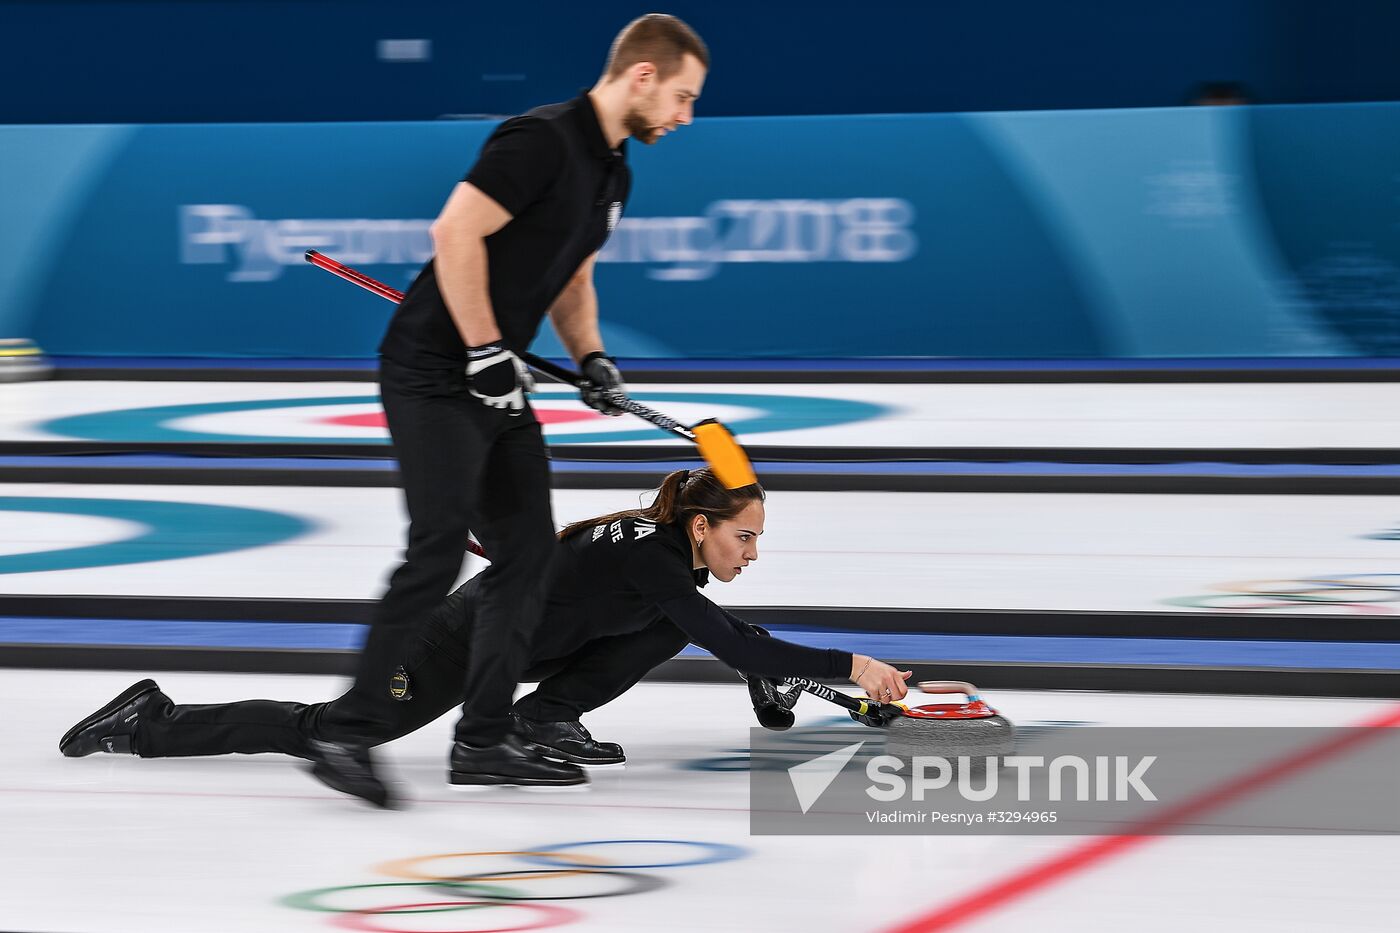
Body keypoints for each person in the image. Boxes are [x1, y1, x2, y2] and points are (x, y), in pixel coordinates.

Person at [59, 470, 913, 807]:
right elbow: (732, 641)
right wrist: (851, 664)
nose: (752, 552)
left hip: (524, 648)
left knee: (669, 623)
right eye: (745, 536)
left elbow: (724, 634)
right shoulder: (655, 558)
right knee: (334, 728)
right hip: (452, 643)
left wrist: (763, 665)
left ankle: (545, 715)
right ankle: (150, 721)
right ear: (699, 526)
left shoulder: (666, 559)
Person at [358, 14, 711, 787]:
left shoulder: (613, 173)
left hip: (491, 376)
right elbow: (455, 233)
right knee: (438, 547)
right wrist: (486, 347)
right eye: (683, 96)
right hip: (433, 368)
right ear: (642, 76)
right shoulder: (542, 139)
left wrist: (593, 359)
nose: (686, 115)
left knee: (528, 558)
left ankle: (483, 742)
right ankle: (353, 728)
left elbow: (573, 278)